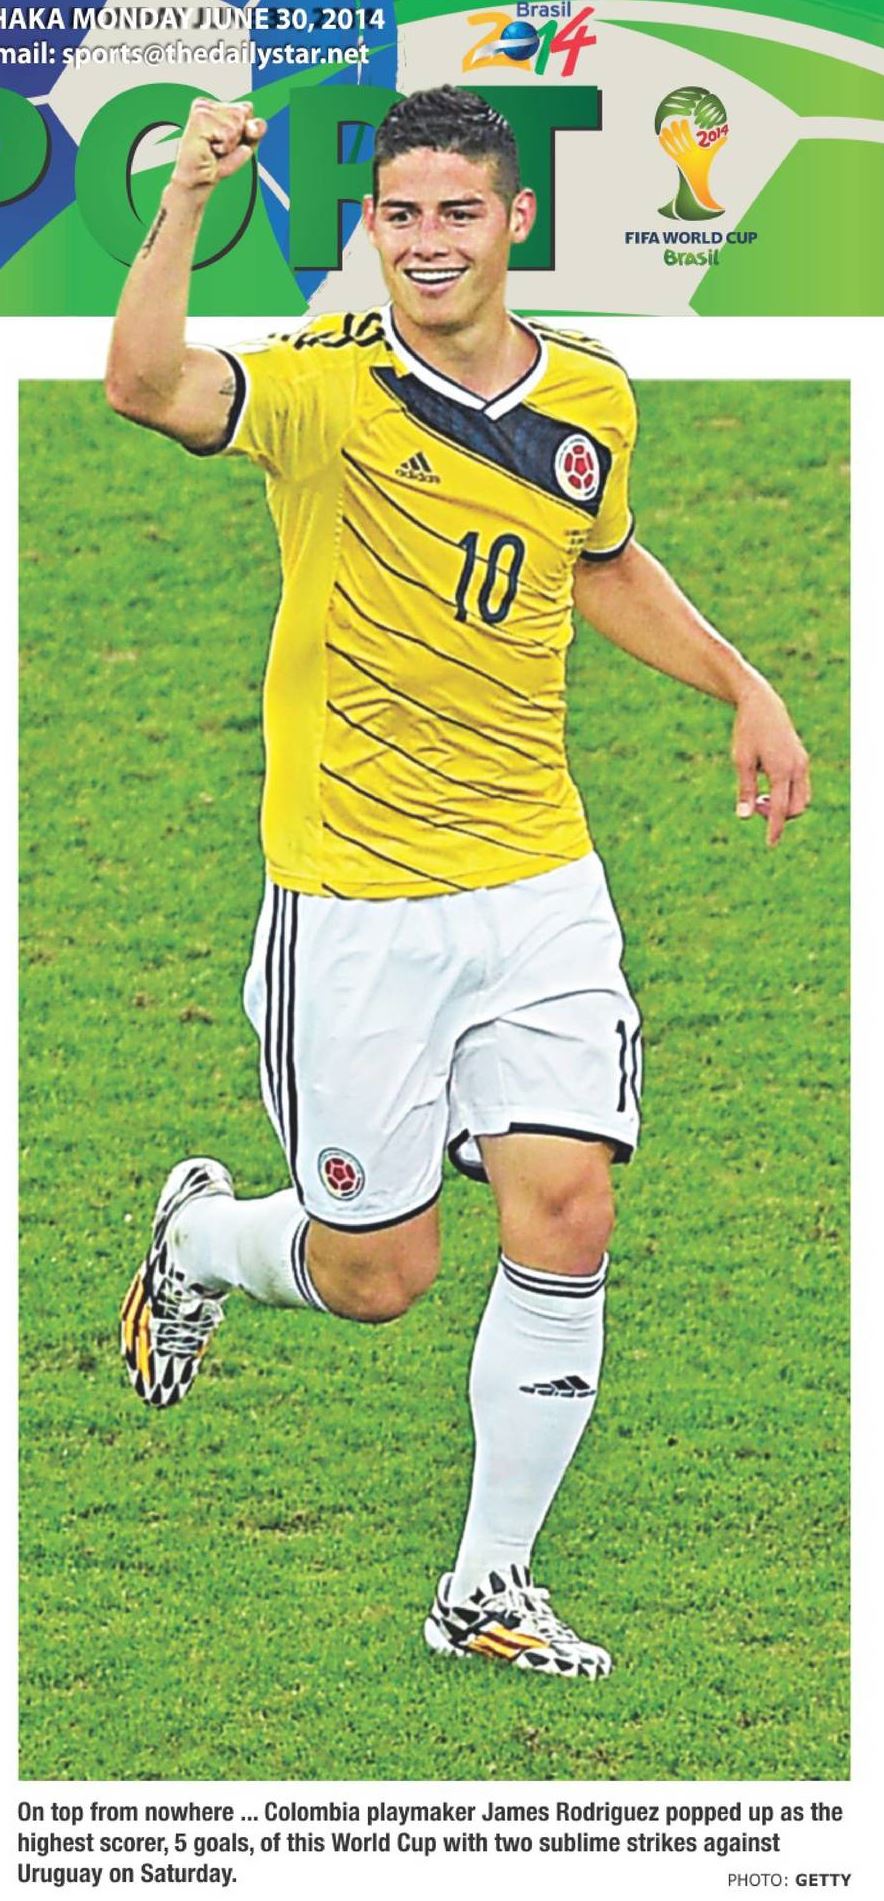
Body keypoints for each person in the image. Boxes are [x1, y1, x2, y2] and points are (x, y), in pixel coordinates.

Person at [108, 86, 809, 1680]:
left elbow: (595, 555)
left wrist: (741, 682)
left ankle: (486, 1585)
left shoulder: (590, 396)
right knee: (381, 1276)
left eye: (457, 212)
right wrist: (186, 196)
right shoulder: (325, 390)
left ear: (515, 223)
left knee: (570, 1205)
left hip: (538, 879)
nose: (427, 241)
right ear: (373, 226)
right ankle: (201, 1240)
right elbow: (144, 382)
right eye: (401, 213)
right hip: (356, 905)